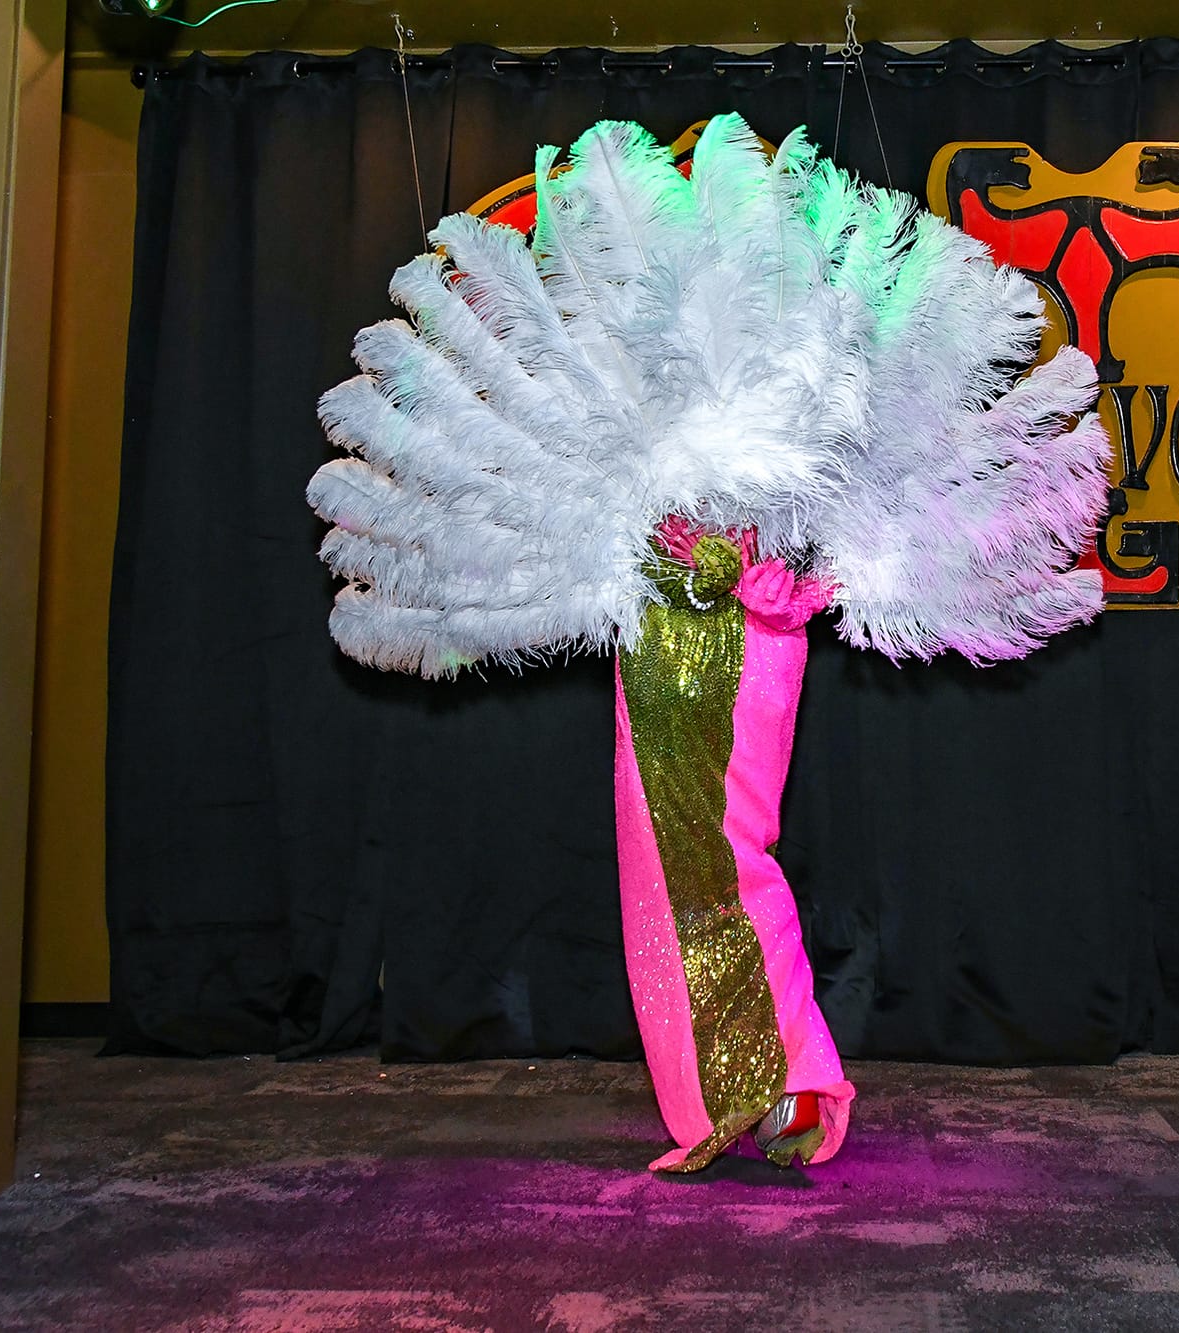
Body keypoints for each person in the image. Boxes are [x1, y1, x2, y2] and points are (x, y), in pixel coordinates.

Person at [308, 113, 1109, 1171]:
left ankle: (778, 1082)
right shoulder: (703, 408)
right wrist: (691, 559)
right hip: (671, 652)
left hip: (728, 657)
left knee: (714, 866)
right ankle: (755, 1087)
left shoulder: (789, 417)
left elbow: (778, 571)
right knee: (684, 873)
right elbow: (710, 549)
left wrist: (729, 568)